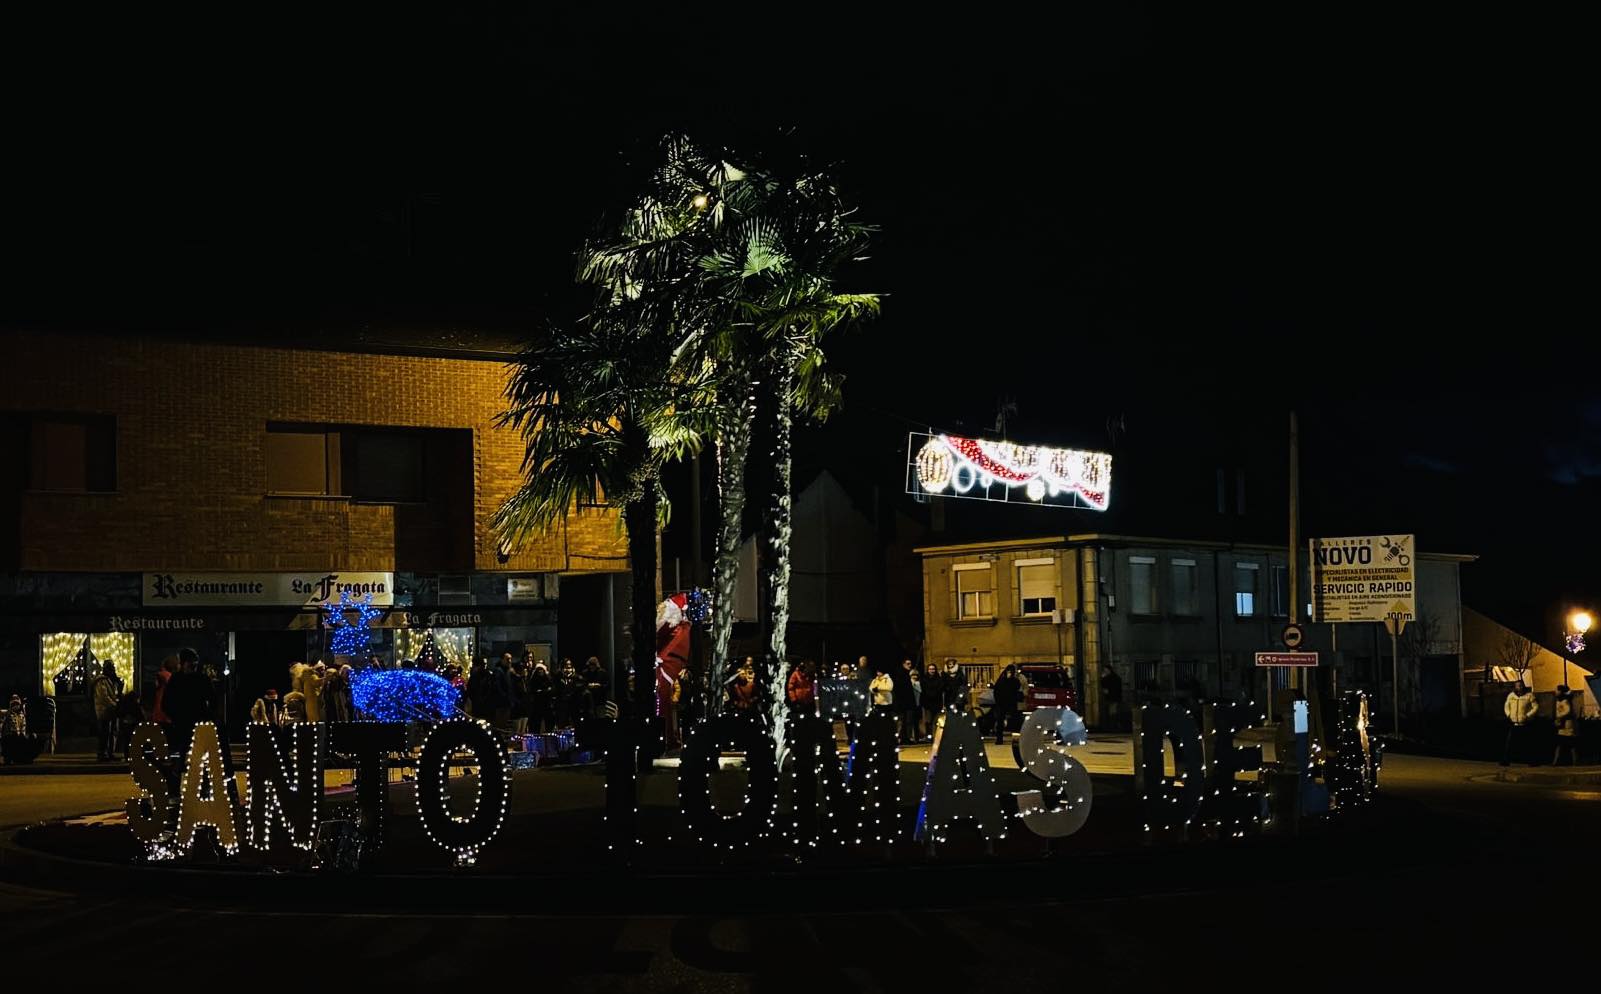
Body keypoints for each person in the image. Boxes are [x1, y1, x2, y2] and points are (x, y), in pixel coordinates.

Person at [164, 648, 213, 759]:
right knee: (191, 754)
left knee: (188, 754)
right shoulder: (201, 679)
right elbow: (166, 702)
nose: (193, 665)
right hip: (189, 721)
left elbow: (166, 702)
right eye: (191, 662)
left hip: (188, 722)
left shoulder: (176, 679)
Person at [91, 659, 122, 761]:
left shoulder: (109, 680)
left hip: (111, 710)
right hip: (104, 710)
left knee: (112, 732)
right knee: (105, 732)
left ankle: (109, 753)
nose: (113, 669)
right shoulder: (101, 681)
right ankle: (102, 753)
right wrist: (115, 705)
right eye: (111, 667)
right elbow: (103, 697)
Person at [1502, 678, 1538, 766]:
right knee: (1509, 743)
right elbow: (1506, 706)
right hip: (1514, 723)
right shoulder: (1511, 696)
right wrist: (1509, 714)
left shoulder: (1529, 696)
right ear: (1515, 687)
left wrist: (1528, 715)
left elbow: (1535, 707)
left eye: (1521, 685)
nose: (1520, 687)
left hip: (1524, 723)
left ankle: (1531, 761)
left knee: (1528, 743)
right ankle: (1506, 760)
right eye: (1518, 686)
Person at [991, 665, 1022, 744]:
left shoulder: (1014, 680)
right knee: (1000, 722)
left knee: (1015, 722)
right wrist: (998, 701)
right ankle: (999, 739)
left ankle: (1016, 739)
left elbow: (1017, 688)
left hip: (1010, 703)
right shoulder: (1001, 680)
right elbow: (996, 690)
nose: (1009, 673)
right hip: (1002, 703)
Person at [2, 694, 32, 764]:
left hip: (18, 736)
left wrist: (22, 735)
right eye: (14, 704)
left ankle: (20, 758)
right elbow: (4, 726)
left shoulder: (21, 715)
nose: (16, 706)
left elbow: (23, 726)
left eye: (17, 704)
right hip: (9, 736)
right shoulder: (8, 714)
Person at [1554, 685, 1579, 766]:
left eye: (1557, 690)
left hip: (1567, 725)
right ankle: (1558, 761)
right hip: (1562, 725)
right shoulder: (1559, 700)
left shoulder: (1565, 701)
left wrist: (1559, 717)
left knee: (1567, 744)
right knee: (1564, 744)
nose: (1555, 692)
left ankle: (1558, 761)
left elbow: (1568, 711)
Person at [115, 689, 144, 759]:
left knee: (127, 741)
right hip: (133, 724)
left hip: (125, 724)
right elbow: (140, 716)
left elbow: (119, 713)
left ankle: (127, 755)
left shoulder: (124, 704)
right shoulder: (135, 705)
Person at [529, 661, 554, 733]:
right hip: (537, 705)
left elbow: (551, 690)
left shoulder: (548, 680)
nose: (540, 671)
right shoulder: (534, 680)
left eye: (541, 670)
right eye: (539, 670)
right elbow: (533, 691)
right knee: (536, 723)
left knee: (548, 722)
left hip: (546, 704)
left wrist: (542, 691)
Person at [921, 663, 944, 739]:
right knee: (928, 721)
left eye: (933, 669)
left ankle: (936, 736)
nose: (932, 671)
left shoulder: (939, 679)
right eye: (930, 669)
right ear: (928, 670)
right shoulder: (924, 679)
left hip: (937, 703)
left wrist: (934, 694)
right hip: (927, 703)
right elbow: (924, 690)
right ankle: (929, 736)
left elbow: (940, 689)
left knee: (936, 721)